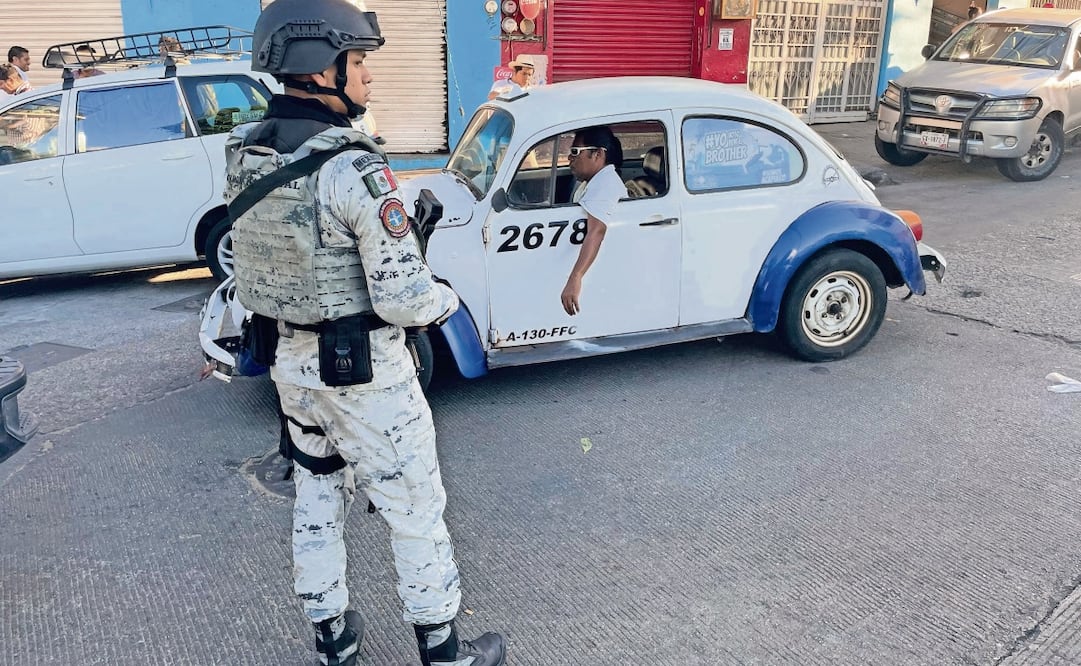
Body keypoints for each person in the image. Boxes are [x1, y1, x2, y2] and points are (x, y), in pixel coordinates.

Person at [226, 1, 506, 665]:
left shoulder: (246, 152)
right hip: (365, 372)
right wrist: (444, 299)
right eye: (359, 63)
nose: (369, 79)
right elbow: (405, 297)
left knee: (318, 495)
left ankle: (333, 640)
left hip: (289, 366)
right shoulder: (354, 168)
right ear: (322, 68)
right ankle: (444, 653)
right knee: (415, 506)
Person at [561, 125, 625, 316]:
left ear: (597, 154)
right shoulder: (592, 182)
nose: (569, 158)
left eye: (575, 152)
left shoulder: (605, 185)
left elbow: (596, 231)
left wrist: (576, 277)